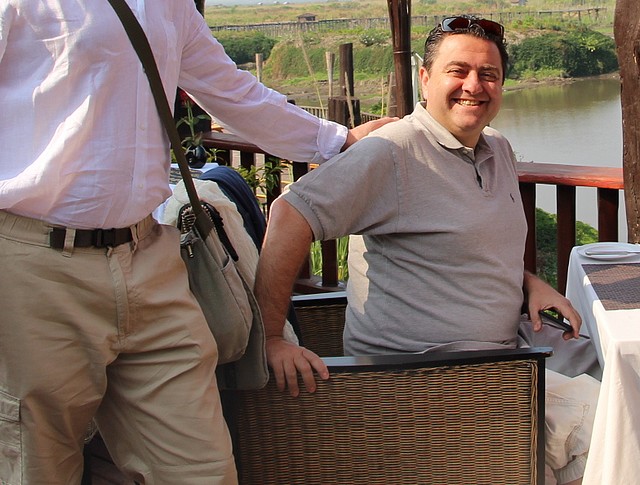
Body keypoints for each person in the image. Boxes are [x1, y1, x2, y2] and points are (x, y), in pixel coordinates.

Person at [0, 1, 394, 484]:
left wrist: (337, 141)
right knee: (36, 467)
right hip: (33, 265)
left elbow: (229, 89)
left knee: (202, 470)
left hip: (148, 256)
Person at [254, 15, 601, 485]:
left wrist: (526, 283)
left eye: (489, 74)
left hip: (505, 354)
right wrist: (271, 337)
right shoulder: (392, 152)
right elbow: (289, 214)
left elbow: (461, 246)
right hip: (427, 378)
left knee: (619, 374)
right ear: (425, 77)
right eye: (458, 71)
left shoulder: (496, 148)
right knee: (610, 424)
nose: (474, 86)